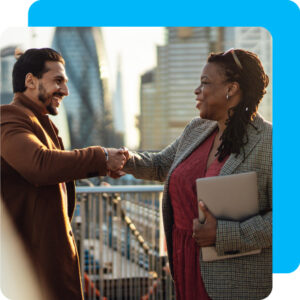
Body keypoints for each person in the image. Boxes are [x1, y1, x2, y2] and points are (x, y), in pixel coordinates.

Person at [117, 49, 272, 300]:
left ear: (230, 90)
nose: (196, 90)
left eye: (205, 83)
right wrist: (123, 160)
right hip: (184, 263)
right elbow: (160, 164)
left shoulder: (270, 142)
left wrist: (223, 234)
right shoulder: (197, 129)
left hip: (232, 280)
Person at [0, 48, 126, 300]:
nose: (65, 91)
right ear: (30, 81)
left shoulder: (38, 123)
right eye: (58, 81)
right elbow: (40, 164)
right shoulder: (9, 118)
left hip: (45, 264)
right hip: (31, 273)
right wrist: (100, 157)